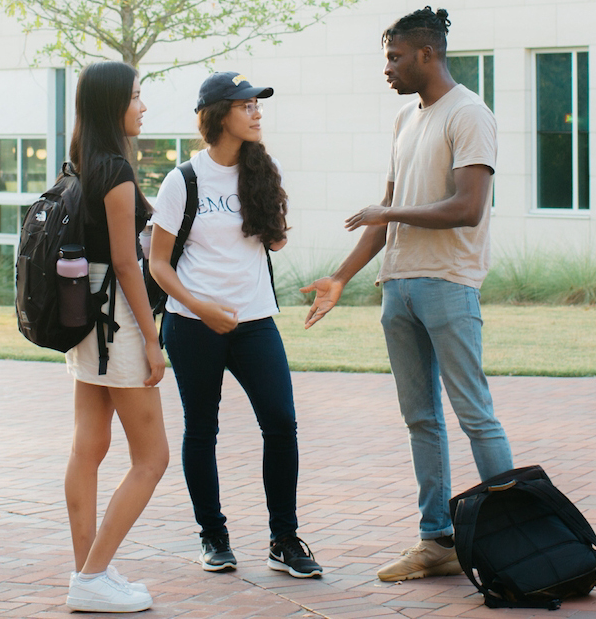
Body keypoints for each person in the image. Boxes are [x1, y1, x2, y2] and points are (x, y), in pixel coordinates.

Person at [301, 6, 514, 582]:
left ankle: (511, 537)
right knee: (420, 418)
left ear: (427, 54)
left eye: (395, 57)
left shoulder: (470, 114)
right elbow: (386, 216)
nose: (388, 68)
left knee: (476, 417)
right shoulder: (405, 120)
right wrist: (341, 277)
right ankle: (436, 541)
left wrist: (389, 210)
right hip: (397, 288)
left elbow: (468, 208)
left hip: (448, 286)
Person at [148, 71, 322, 579]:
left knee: (282, 423)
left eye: (258, 105)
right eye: (247, 105)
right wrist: (200, 307)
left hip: (254, 321)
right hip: (192, 324)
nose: (257, 112)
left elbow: (274, 241)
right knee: (202, 429)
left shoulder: (264, 169)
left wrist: (271, 214)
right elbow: (159, 264)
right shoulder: (184, 179)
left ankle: (284, 539)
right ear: (219, 113)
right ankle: (213, 535)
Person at [62, 61, 169, 613]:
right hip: (117, 320)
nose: (143, 105)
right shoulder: (117, 174)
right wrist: (153, 341)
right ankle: (93, 575)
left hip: (85, 318)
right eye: (135, 96)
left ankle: (89, 573)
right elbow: (130, 267)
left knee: (88, 447)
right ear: (113, 106)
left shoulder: (81, 164)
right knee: (152, 459)